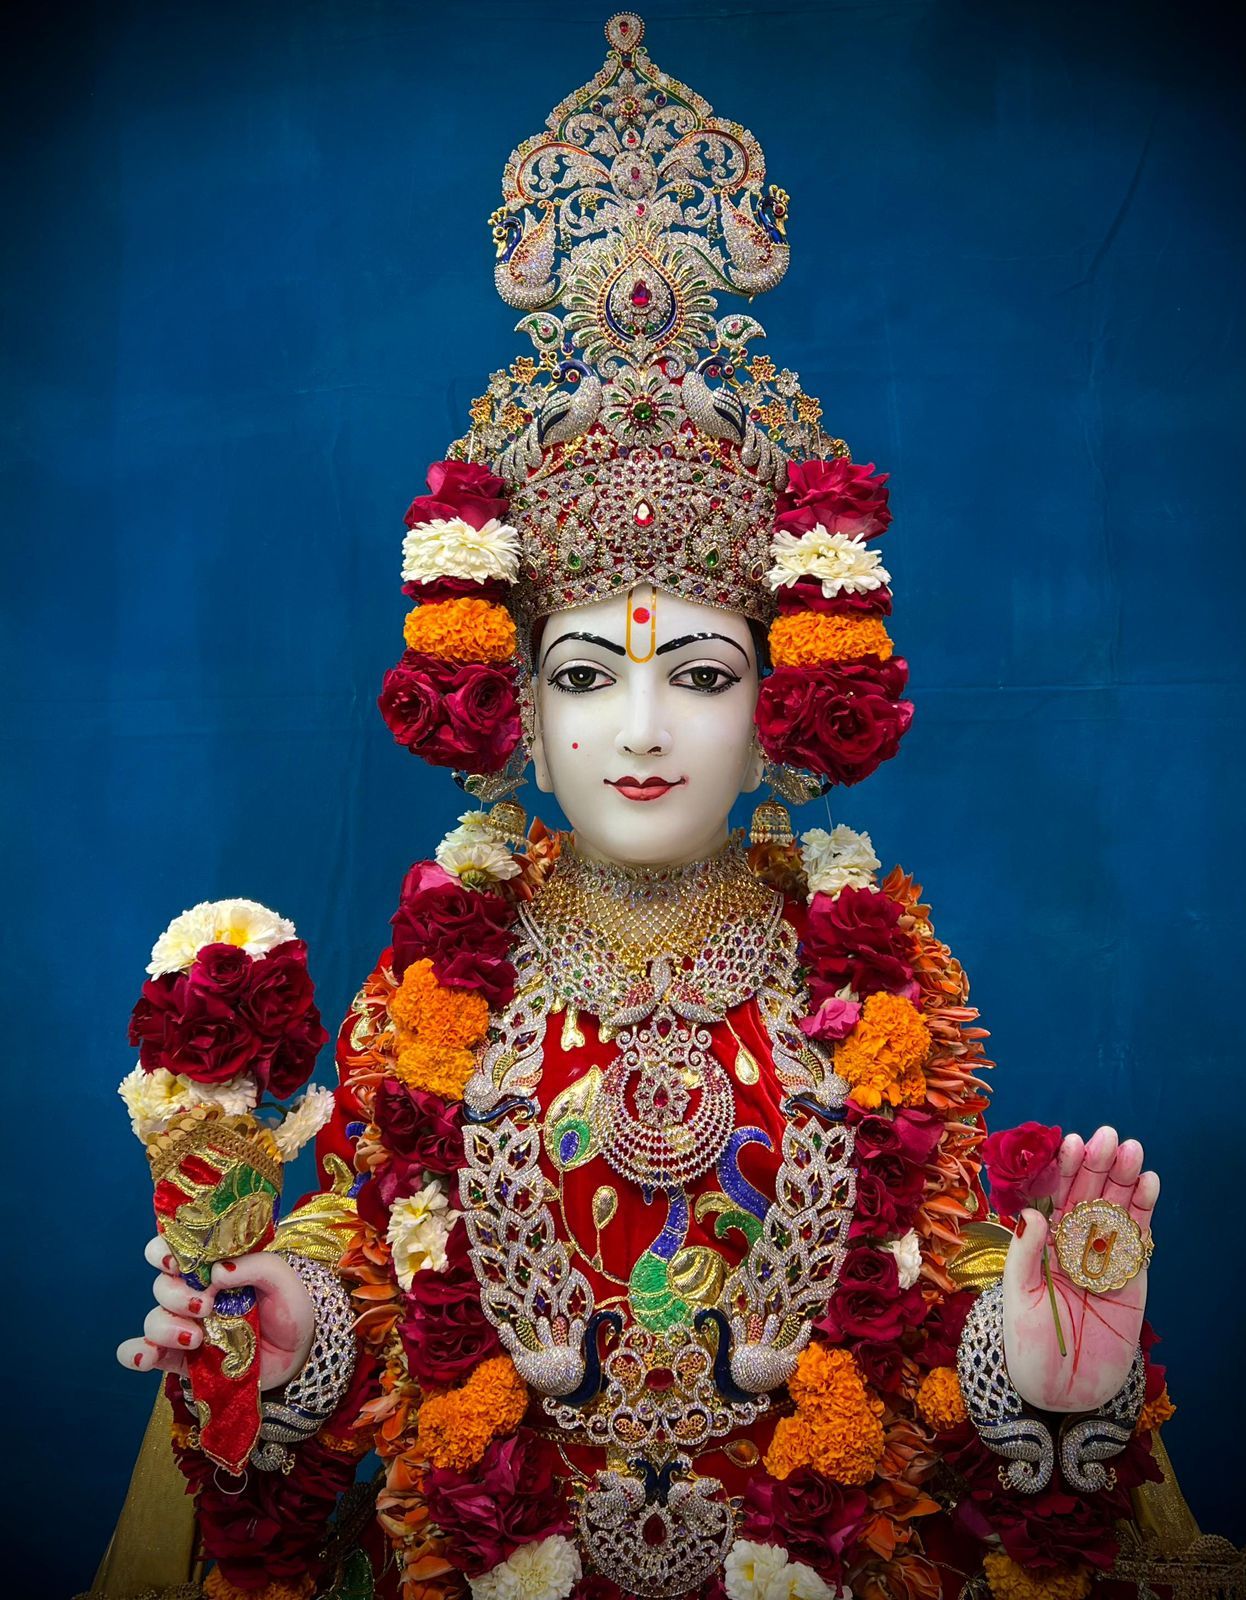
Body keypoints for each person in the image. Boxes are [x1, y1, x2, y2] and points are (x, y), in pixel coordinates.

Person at [112, 15, 1203, 1600]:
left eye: (697, 677)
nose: (638, 731)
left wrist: (1045, 1374)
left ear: (780, 707)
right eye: (581, 679)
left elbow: (930, 1290)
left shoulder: (869, 973)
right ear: (514, 715)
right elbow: (371, 1283)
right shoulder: (440, 983)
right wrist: (287, 1329)